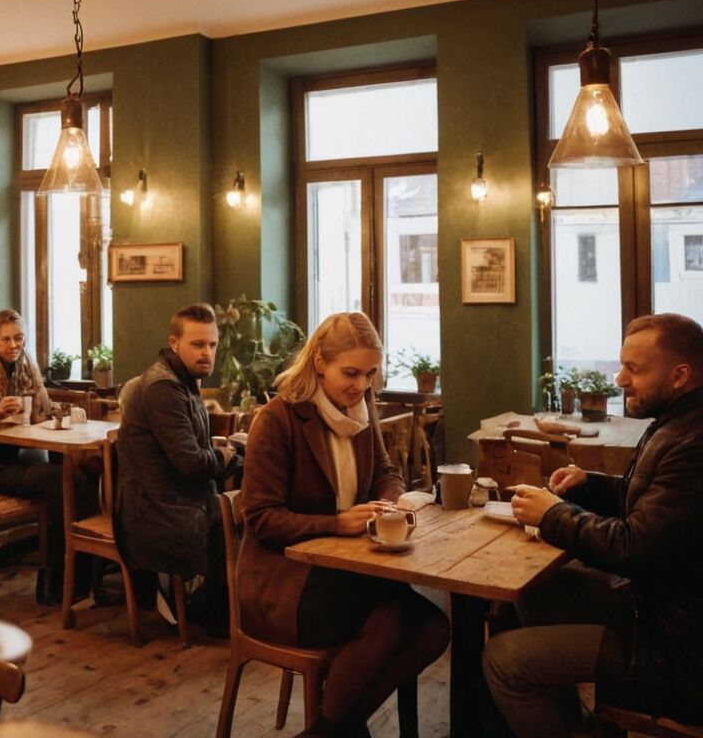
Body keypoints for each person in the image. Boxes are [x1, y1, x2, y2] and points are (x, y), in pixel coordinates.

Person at [483, 313, 703, 734]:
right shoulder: (678, 423)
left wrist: (553, 515)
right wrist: (588, 485)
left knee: (503, 659)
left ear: (679, 375)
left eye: (634, 369)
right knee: (534, 591)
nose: (619, 379)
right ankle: (577, 726)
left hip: (676, 649)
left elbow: (632, 547)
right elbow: (649, 507)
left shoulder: (694, 443)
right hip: (655, 609)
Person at [238, 312, 449, 737]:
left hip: (344, 567)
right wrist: (334, 524)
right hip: (284, 580)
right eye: (350, 373)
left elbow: (386, 472)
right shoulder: (278, 419)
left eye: (370, 374)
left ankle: (334, 728)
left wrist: (389, 502)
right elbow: (261, 519)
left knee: (436, 627)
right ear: (318, 362)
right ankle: (338, 728)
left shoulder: (360, 407)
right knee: (388, 619)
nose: (361, 385)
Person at [115, 303, 243, 636]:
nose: (207, 353)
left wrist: (232, 451)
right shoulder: (164, 388)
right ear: (175, 344)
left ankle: (220, 611)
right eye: (198, 345)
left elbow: (197, 451)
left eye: (212, 345)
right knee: (238, 517)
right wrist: (228, 453)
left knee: (246, 503)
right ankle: (222, 621)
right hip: (157, 511)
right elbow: (192, 463)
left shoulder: (183, 380)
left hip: (179, 499)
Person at [0, 308, 96, 605]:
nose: (13, 345)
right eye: (6, 339)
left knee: (82, 477)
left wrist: (56, 413)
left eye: (19, 338)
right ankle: (55, 582)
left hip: (25, 459)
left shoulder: (27, 368)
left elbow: (41, 412)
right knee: (59, 481)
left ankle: (81, 576)